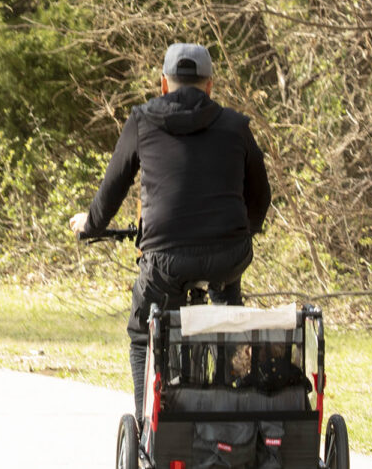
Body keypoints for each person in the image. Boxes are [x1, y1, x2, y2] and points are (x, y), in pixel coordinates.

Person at [69, 42, 271, 424]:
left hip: (165, 259)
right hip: (228, 253)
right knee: (227, 306)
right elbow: (261, 193)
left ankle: (148, 429)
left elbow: (113, 187)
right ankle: (235, 413)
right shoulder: (235, 126)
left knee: (144, 333)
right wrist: (247, 229)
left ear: (164, 84)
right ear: (209, 86)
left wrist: (91, 225)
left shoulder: (142, 121)